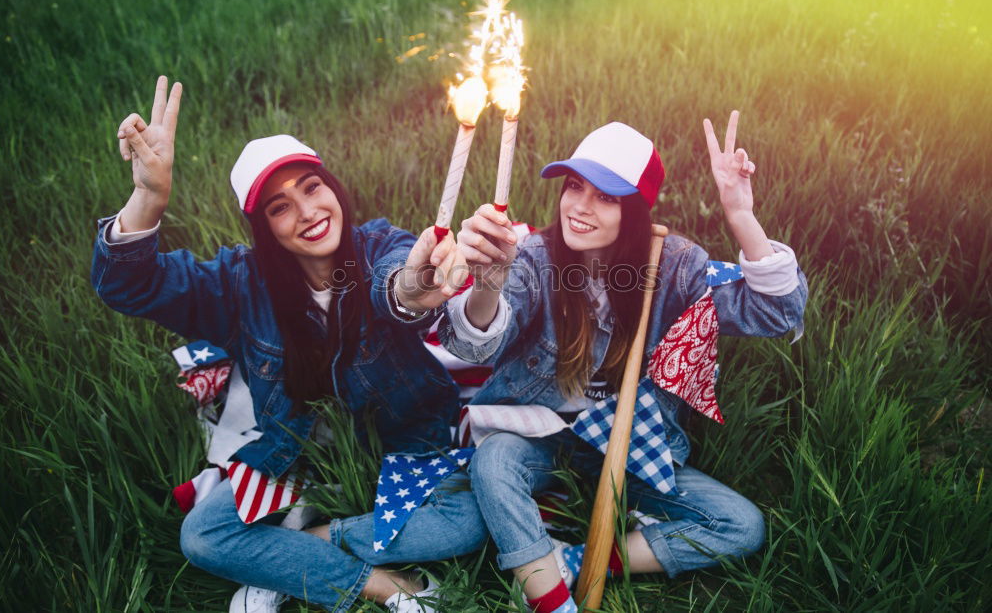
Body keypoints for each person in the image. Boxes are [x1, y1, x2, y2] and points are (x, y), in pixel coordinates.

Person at [92, 76, 485, 613]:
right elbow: (125, 285)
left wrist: (413, 289)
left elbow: (399, 282)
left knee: (462, 526)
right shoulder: (239, 283)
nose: (306, 212)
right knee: (203, 535)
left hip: (404, 440)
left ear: (332, 186)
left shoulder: (377, 248)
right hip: (294, 450)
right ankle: (396, 588)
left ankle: (294, 553)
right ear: (264, 228)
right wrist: (148, 197)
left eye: (311, 187)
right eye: (279, 207)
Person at [439, 114, 808, 612]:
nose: (580, 207)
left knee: (742, 525)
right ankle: (551, 600)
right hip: (542, 438)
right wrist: (488, 283)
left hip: (631, 449)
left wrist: (740, 214)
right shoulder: (534, 257)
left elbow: (777, 312)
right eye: (574, 187)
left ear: (635, 211)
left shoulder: (674, 267)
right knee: (494, 460)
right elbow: (474, 347)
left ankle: (572, 561)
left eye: (606, 197)